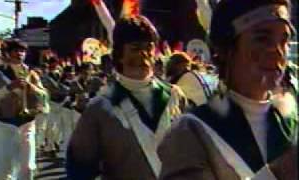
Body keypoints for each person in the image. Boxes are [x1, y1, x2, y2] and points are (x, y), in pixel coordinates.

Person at [158, 0, 298, 179]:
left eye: (285, 41)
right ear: (224, 49)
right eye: (262, 38)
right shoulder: (192, 133)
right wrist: (279, 172)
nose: (278, 52)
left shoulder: (291, 120)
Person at [66, 15, 187, 180]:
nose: (144, 54)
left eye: (149, 47)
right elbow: (79, 170)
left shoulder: (175, 95)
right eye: (135, 48)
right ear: (120, 54)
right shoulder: (99, 108)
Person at [0, 38, 49, 179]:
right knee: (4, 169)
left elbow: (44, 95)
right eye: (16, 50)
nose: (20, 54)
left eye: (22, 51)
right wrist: (9, 88)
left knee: (28, 167)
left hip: (27, 123)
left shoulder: (31, 73)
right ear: (8, 53)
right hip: (5, 124)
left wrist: (30, 86)